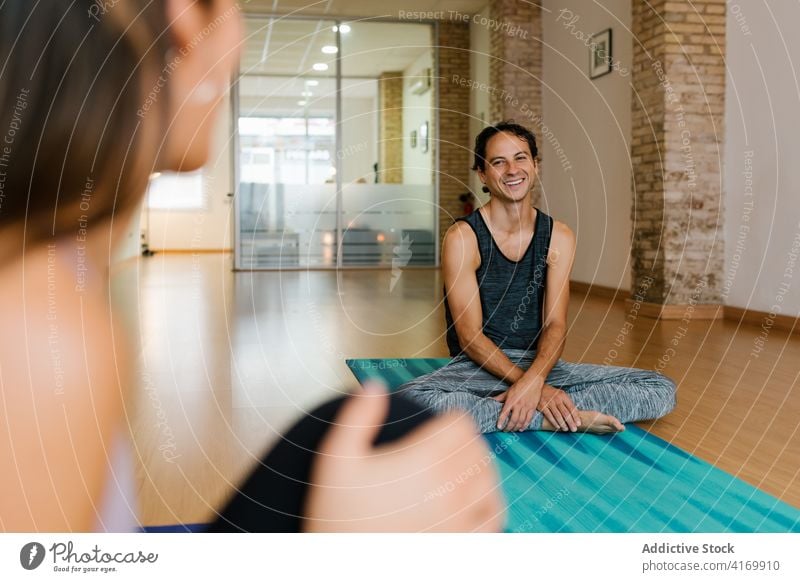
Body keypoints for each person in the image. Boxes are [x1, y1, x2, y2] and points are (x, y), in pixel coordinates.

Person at [0, 0, 503, 533]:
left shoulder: (56, 264)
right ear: (188, 17)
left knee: (386, 425)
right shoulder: (35, 331)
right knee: (402, 438)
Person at [400, 122, 677, 434]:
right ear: (482, 174)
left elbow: (555, 325)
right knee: (412, 401)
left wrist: (536, 379)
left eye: (520, 158)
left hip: (543, 366)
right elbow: (469, 337)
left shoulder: (559, 236)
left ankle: (513, 409)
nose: (512, 170)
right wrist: (534, 389)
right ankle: (552, 417)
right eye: (498, 162)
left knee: (659, 388)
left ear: (535, 165)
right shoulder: (463, 238)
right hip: (477, 368)